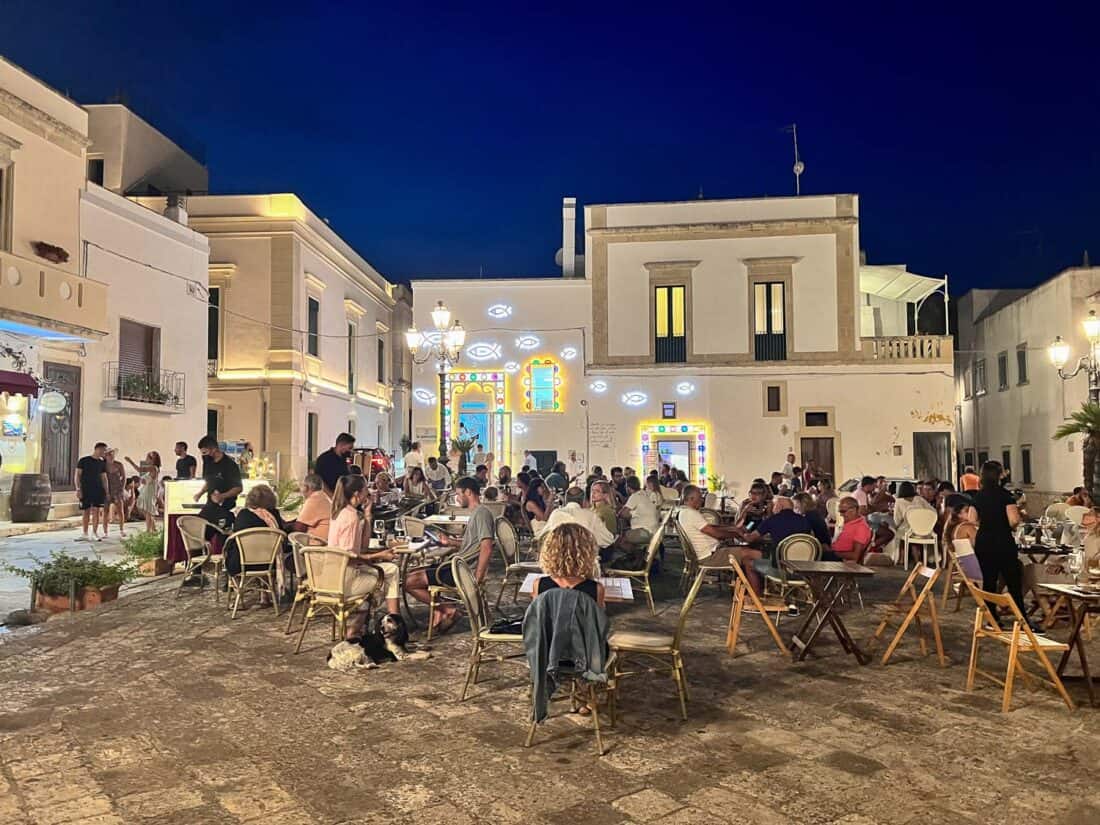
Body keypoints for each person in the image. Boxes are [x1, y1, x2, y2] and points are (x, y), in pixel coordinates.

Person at [404, 477, 496, 634]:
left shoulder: (481, 514)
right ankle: (440, 610)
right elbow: (473, 545)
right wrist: (451, 543)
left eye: (459, 494)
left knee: (408, 582)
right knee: (412, 573)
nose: (457, 498)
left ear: (468, 492)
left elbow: (486, 547)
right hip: (457, 565)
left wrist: (476, 579)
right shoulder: (477, 513)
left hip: (461, 570)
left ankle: (446, 608)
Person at [327, 475, 401, 626]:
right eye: (366, 488)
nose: (369, 491)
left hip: (332, 573)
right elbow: (349, 556)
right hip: (345, 578)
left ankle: (384, 621)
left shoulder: (341, 512)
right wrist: (380, 555)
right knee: (390, 573)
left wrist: (368, 514)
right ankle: (394, 623)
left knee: (391, 570)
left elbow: (363, 546)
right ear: (357, 493)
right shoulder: (350, 517)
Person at [680, 485, 764, 592]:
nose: (702, 500)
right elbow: (717, 534)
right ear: (691, 499)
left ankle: (753, 595)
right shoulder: (691, 514)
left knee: (748, 559)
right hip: (710, 556)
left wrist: (733, 529)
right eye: (700, 497)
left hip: (712, 552)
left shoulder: (685, 512)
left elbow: (711, 528)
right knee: (757, 554)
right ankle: (763, 591)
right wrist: (736, 534)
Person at [971, 460, 1027, 619]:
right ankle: (1021, 618)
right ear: (999, 475)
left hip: (984, 542)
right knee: (1013, 581)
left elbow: (972, 519)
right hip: (1003, 542)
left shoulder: (978, 496)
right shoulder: (1005, 496)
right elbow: (1013, 520)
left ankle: (991, 617)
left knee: (989, 581)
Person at [222, 483, 291, 600]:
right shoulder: (274, 514)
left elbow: (235, 537)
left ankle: (239, 595)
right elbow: (282, 541)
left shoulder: (242, 514)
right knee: (267, 551)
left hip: (242, 564)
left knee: (232, 551)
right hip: (269, 563)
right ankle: (264, 595)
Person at [535, 522, 605, 607]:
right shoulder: (596, 589)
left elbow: (537, 616)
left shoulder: (539, 584)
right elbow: (597, 618)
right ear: (588, 553)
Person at [537, 486, 616, 552]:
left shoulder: (556, 514)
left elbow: (542, 537)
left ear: (565, 500)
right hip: (584, 562)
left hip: (558, 561)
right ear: (583, 500)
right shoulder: (590, 516)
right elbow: (608, 540)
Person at [193, 434, 244, 515]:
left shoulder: (229, 465)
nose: (203, 455)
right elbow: (210, 482)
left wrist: (222, 496)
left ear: (214, 449)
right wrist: (200, 493)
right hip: (210, 504)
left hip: (226, 506)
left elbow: (238, 488)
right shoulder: (207, 461)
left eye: (205, 452)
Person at [737, 497, 809, 551]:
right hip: (801, 555)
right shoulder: (804, 519)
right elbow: (745, 527)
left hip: (778, 556)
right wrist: (744, 513)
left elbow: (749, 535)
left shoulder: (771, 519)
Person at [75, 442, 110, 542]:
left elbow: (104, 478)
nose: (104, 452)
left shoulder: (102, 462)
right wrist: (78, 489)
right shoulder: (84, 461)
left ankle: (94, 532)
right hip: (85, 488)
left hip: (98, 489)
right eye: (104, 450)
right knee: (86, 510)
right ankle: (85, 533)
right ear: (98, 449)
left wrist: (107, 492)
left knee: (96, 510)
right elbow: (77, 475)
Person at [125, 451, 161, 534]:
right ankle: (154, 528)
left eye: (148, 457)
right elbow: (147, 480)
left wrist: (130, 461)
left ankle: (149, 530)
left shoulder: (153, 467)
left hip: (149, 491)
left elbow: (139, 469)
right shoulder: (153, 469)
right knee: (147, 510)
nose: (146, 459)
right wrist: (143, 480)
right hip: (147, 489)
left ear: (152, 459)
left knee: (148, 511)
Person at [619, 475, 660, 547]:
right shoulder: (644, 493)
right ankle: (639, 554)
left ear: (628, 487)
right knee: (628, 533)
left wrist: (629, 513)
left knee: (620, 539)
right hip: (654, 530)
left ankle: (637, 556)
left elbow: (623, 514)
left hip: (645, 532)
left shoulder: (635, 496)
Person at [831, 497, 871, 562]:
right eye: (840, 511)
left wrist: (834, 553)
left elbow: (855, 556)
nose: (841, 514)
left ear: (853, 510)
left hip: (841, 560)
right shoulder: (851, 523)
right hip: (836, 555)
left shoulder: (861, 527)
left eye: (843, 511)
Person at [293, 474, 332, 539]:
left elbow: (299, 528)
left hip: (315, 545)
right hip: (325, 541)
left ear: (306, 487)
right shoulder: (324, 497)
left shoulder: (314, 499)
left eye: (302, 486)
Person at [104, 448, 127, 538]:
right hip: (107, 490)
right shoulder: (103, 465)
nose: (111, 456)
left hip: (117, 489)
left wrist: (122, 488)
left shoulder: (119, 465)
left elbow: (124, 477)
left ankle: (122, 530)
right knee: (105, 511)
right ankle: (105, 532)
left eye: (112, 454)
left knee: (120, 510)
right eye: (109, 454)